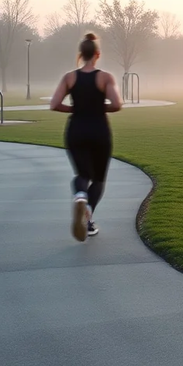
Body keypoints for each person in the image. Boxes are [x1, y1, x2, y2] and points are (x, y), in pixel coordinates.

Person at [48, 33, 123, 242]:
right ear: (97, 54)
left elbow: (54, 104)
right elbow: (117, 104)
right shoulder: (105, 77)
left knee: (82, 175)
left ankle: (80, 196)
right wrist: (98, 106)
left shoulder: (69, 77)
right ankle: (87, 214)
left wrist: (76, 108)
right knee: (98, 179)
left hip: (76, 130)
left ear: (81, 54)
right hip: (99, 130)